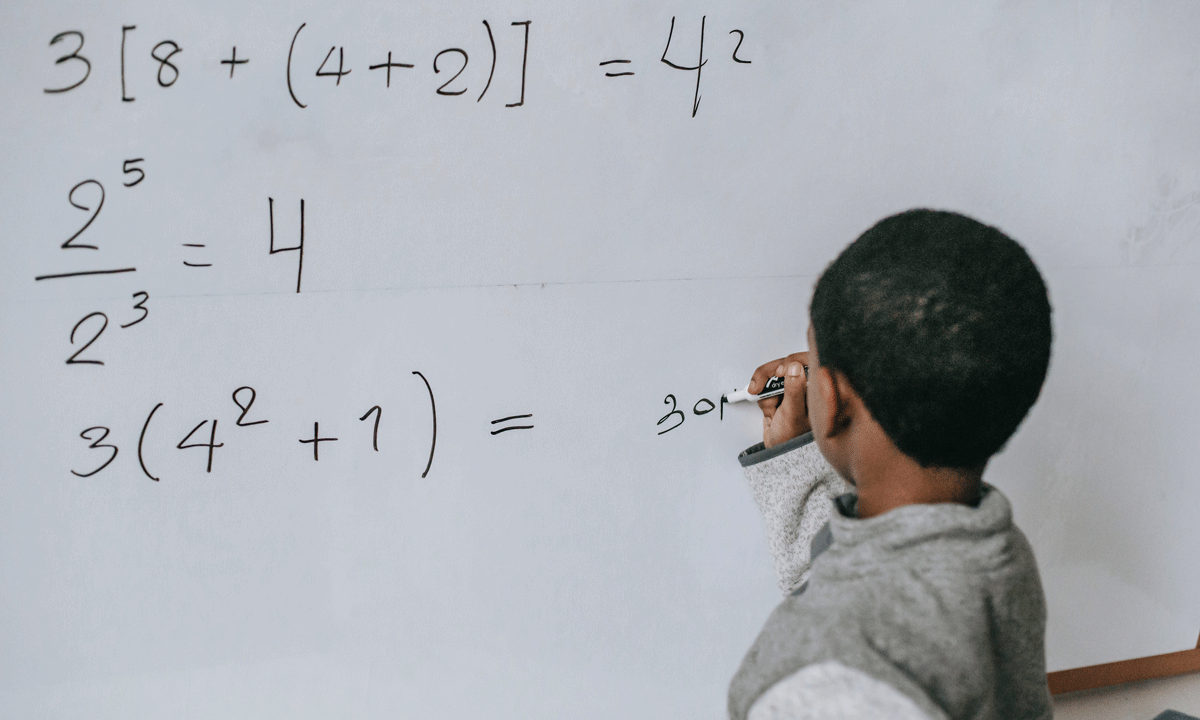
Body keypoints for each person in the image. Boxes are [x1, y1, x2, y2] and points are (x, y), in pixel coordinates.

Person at [728, 209, 1055, 720]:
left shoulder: (818, 681)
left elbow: (847, 605)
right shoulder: (997, 550)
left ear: (830, 402)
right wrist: (798, 455)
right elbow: (857, 573)